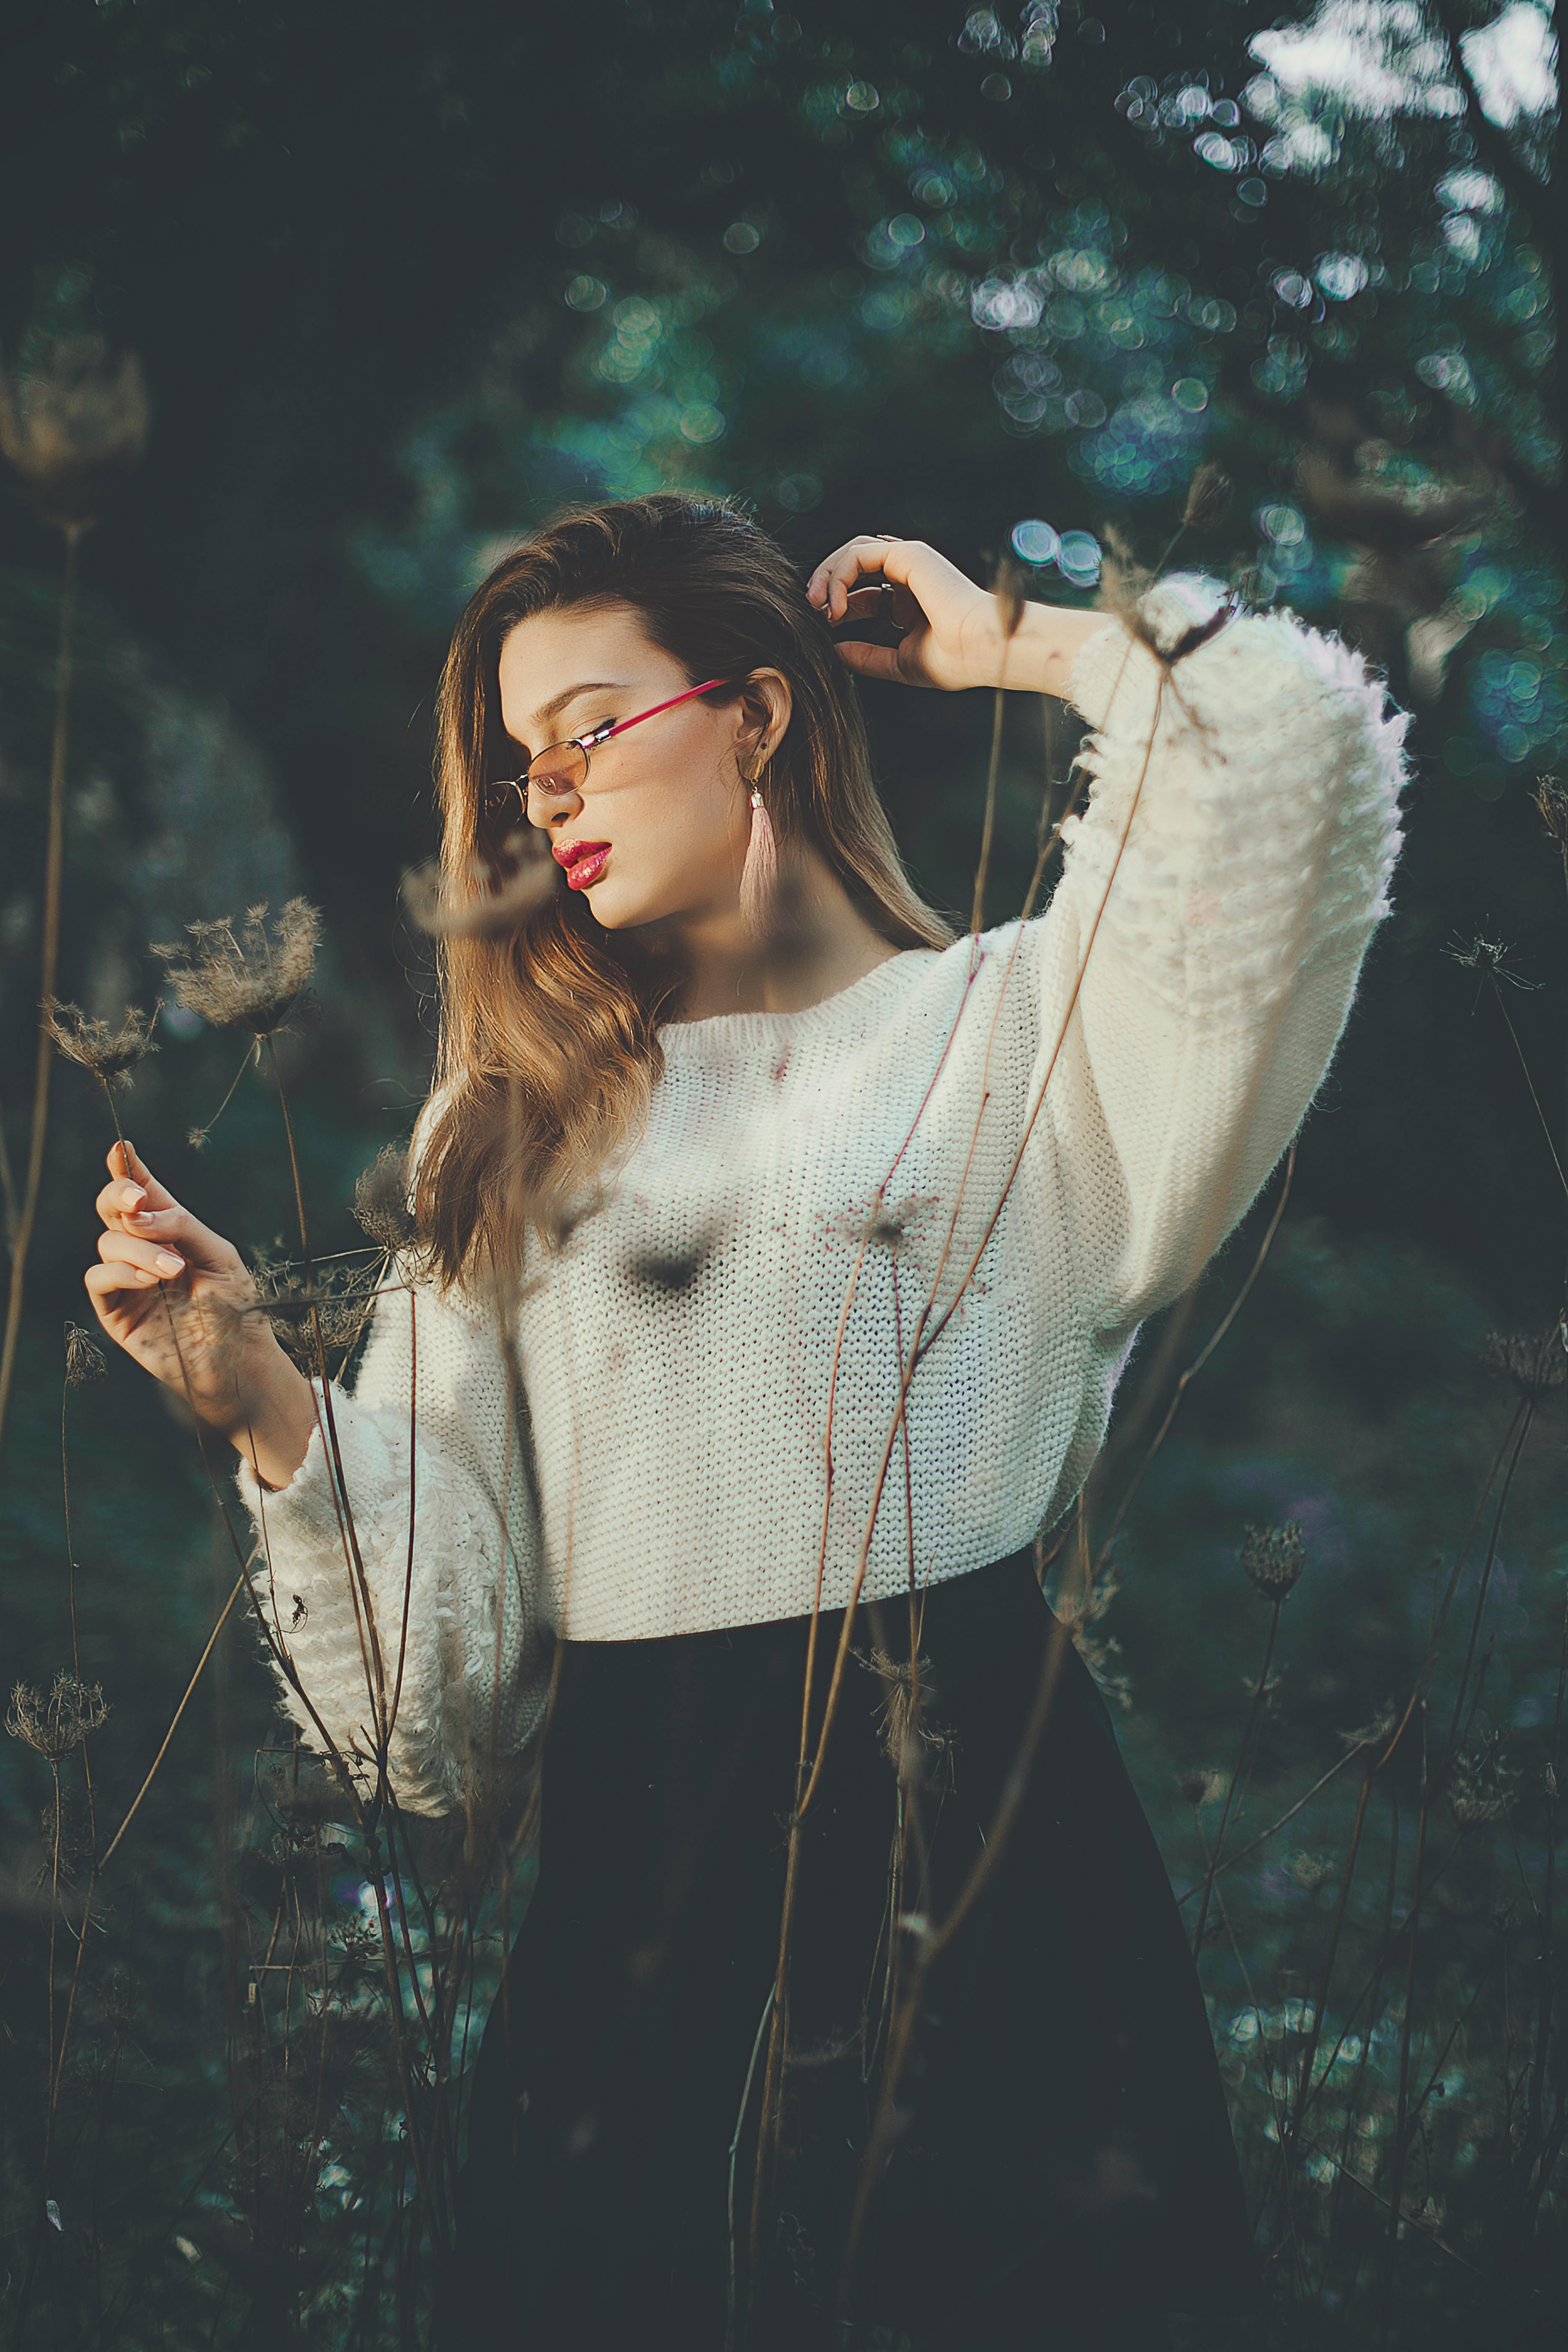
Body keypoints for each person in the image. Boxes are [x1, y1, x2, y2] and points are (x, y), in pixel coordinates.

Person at [83, 493, 1406, 2349]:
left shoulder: (1020, 1034)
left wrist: (1012, 636)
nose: (542, 795)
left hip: (1002, 1887)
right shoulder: (505, 1133)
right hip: (637, 1917)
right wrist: (258, 1396)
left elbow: (1298, 747)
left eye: (585, 733)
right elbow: (434, 1708)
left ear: (759, 715)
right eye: (514, 768)